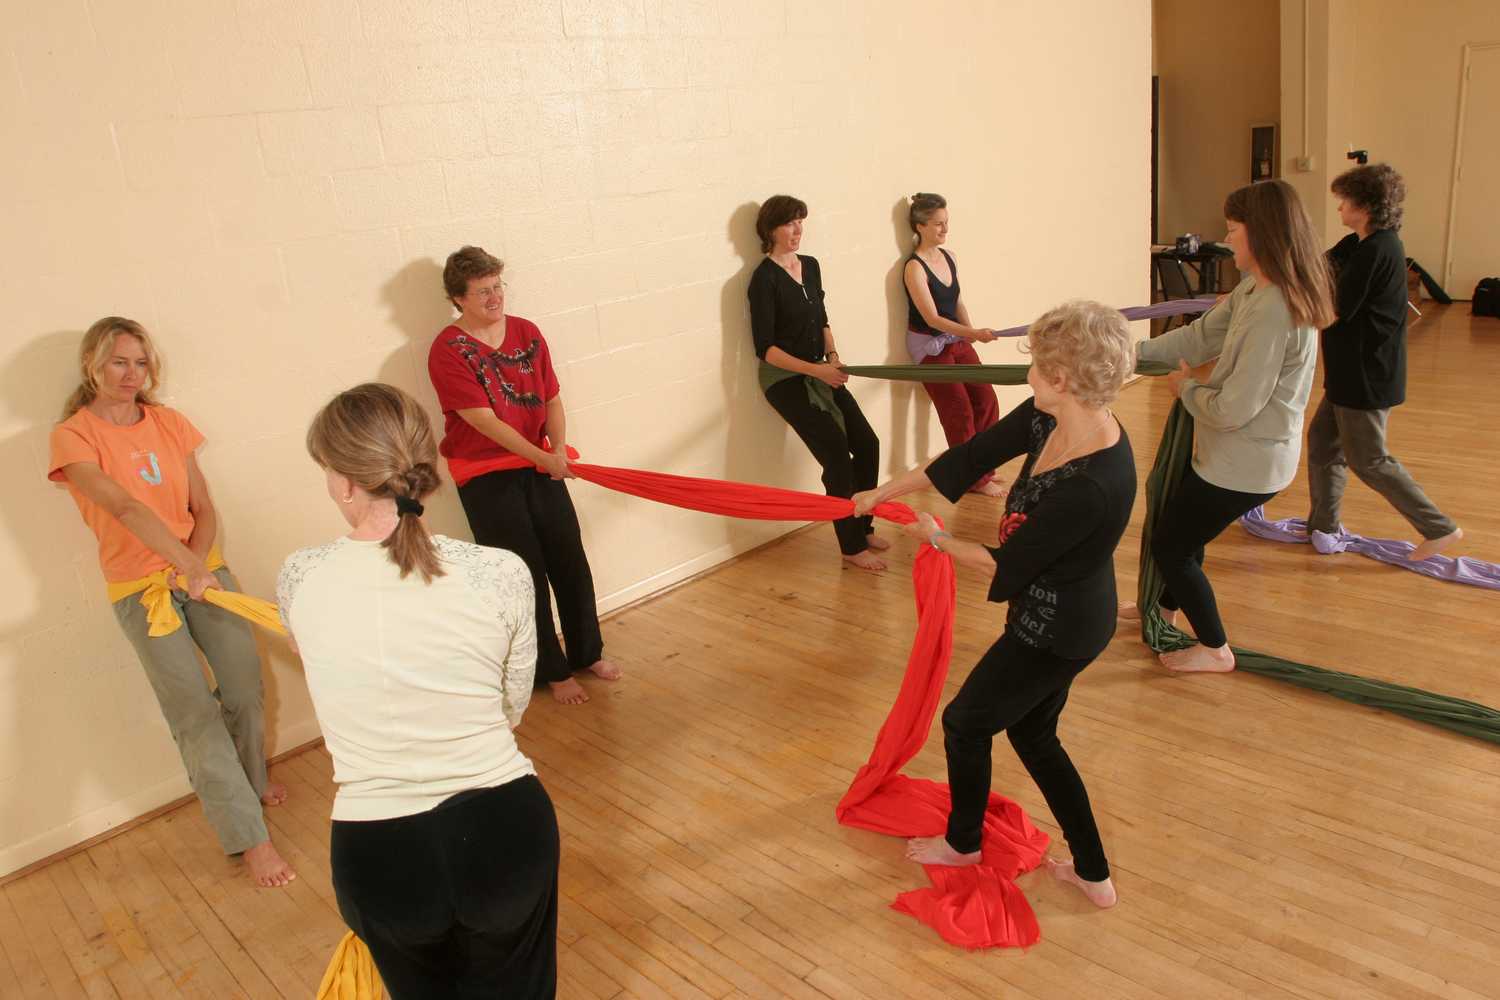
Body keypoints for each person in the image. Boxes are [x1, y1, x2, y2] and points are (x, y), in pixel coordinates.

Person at [853, 300, 1137, 909]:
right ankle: (1093, 872)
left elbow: (1006, 563)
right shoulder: (1046, 418)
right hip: (1053, 610)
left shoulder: (1093, 482)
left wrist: (935, 539)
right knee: (1034, 736)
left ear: (1061, 378)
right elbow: (967, 459)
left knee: (966, 722)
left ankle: (964, 844)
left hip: (1060, 630)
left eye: (1036, 364)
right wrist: (880, 492)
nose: (1027, 373)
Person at [279, 383, 558, 998]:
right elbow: (510, 706)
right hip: (505, 829)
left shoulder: (298, 577)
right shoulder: (502, 572)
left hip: (378, 852)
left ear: (345, 483)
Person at [47, 317, 293, 888]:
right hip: (143, 591)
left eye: (140, 363)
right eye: (119, 362)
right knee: (194, 714)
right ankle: (249, 837)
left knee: (244, 689)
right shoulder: (73, 436)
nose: (131, 374)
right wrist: (185, 567)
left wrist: (198, 566)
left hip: (202, 574)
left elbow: (202, 508)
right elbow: (125, 509)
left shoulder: (168, 423)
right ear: (92, 364)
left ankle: (250, 783)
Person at [1123, 180, 1336, 673]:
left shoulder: (1275, 309)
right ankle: (1161, 612)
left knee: (1173, 545)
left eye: (1234, 229)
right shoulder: (1256, 287)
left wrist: (1185, 389)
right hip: (1232, 455)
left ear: (1261, 233)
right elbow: (1199, 339)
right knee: (1182, 534)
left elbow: (1235, 407)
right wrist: (1127, 355)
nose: (1227, 239)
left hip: (1247, 463)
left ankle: (1215, 648)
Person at [427, 245, 619, 706]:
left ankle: (587, 653)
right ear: (458, 298)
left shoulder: (527, 332)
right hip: (486, 476)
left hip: (540, 463)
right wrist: (544, 457)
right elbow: (482, 420)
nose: (495, 297)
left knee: (569, 560)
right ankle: (551, 671)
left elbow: (551, 397)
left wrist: (557, 449)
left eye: (498, 286)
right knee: (522, 575)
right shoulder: (447, 349)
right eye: (482, 291)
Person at [1307, 163, 1461, 559]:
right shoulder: (1357, 243)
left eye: (1344, 201)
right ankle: (1323, 527)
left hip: (1366, 375)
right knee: (1323, 444)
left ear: (1365, 206)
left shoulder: (1378, 249)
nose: (1339, 208)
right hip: (1347, 372)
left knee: (1369, 460)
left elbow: (1334, 309)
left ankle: (1439, 528)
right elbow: (1315, 266)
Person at [748, 194, 887, 571]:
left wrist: (832, 357)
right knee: (837, 456)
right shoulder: (763, 280)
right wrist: (816, 371)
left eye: (801, 223)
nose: (798, 231)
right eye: (789, 224)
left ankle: (863, 526)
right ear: (770, 230)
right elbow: (766, 350)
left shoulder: (810, 266)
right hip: (784, 379)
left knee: (867, 443)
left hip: (820, 370)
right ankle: (851, 547)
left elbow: (822, 319)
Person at [902, 192, 1004, 496]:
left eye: (946, 222)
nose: (945, 229)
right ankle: (971, 479)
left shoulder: (950, 257)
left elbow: (957, 300)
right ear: (920, 226)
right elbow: (932, 318)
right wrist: (972, 333)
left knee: (986, 399)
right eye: (938, 224)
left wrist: (970, 332)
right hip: (930, 347)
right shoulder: (914, 268)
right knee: (959, 411)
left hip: (956, 338)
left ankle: (982, 468)